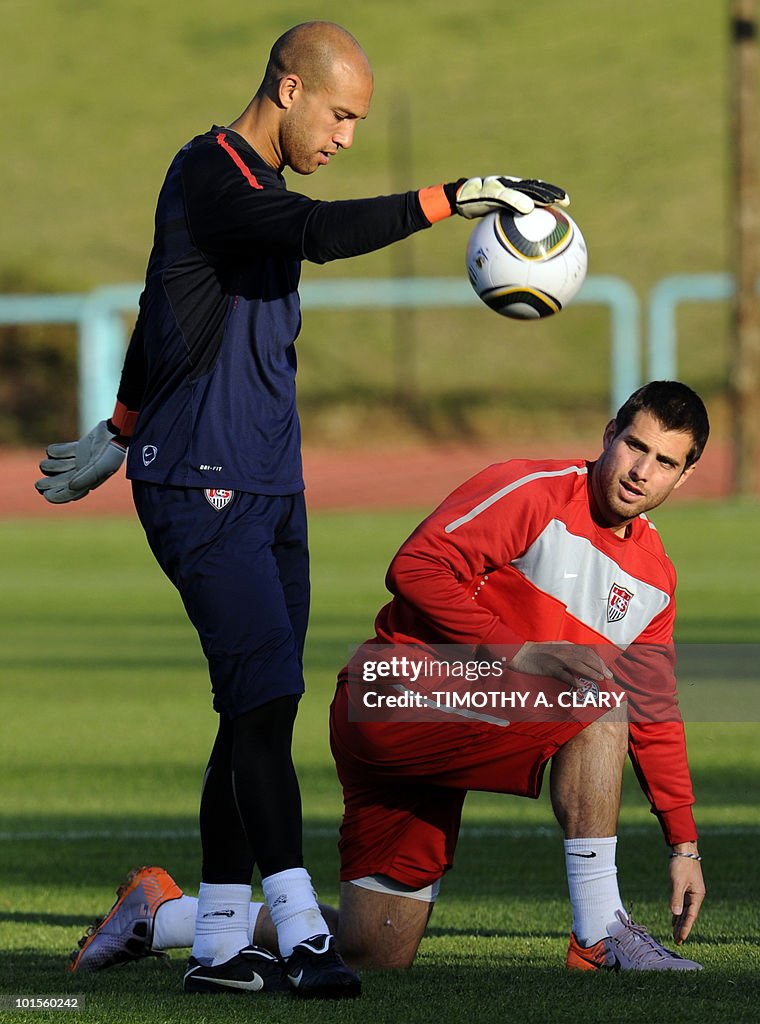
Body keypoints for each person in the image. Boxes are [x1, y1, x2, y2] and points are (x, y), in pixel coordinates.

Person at [35, 20, 570, 1000]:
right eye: (341, 114)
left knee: (258, 708)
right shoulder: (212, 174)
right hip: (199, 483)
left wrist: (115, 418)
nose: (347, 136)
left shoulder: (258, 194)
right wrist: (451, 197)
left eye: (359, 120)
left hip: (270, 485)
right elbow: (316, 236)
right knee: (262, 696)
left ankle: (215, 946)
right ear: (287, 89)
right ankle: (299, 932)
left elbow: (163, 311)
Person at [64, 381, 708, 975]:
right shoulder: (533, 491)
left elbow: (657, 708)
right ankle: (600, 934)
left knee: (375, 949)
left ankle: (162, 914)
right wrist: (522, 651)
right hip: (395, 695)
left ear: (684, 477)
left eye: (664, 462)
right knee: (598, 705)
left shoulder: (654, 580)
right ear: (608, 435)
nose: (640, 471)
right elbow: (416, 566)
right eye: (635, 446)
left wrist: (684, 846)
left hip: (467, 726)